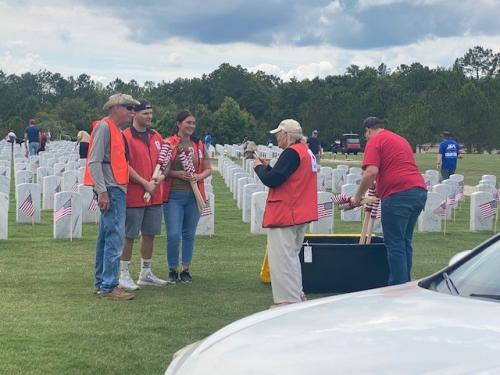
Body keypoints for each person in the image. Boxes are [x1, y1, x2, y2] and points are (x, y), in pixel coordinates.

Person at [352, 117, 427, 286]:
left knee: (395, 242)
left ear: (368, 131)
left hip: (398, 195)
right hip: (418, 191)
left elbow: (370, 172)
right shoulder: (399, 139)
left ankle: (398, 286)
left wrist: (357, 197)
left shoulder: (375, 141)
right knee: (404, 240)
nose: (366, 140)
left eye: (365, 136)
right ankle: (406, 284)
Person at [253, 119, 318, 308]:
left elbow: (273, 180)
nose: (276, 137)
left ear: (288, 135)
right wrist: (268, 167)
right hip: (300, 210)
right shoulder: (306, 151)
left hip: (286, 211)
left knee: (282, 259)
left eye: (279, 134)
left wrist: (258, 167)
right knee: (291, 256)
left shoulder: (291, 152)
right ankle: (297, 294)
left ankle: (287, 300)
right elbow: (287, 176)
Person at [83, 93, 139, 300]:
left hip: (115, 187)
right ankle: (109, 286)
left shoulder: (115, 130)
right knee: (115, 238)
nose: (131, 112)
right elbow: (94, 162)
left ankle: (102, 282)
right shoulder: (105, 128)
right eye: (128, 107)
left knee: (106, 237)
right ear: (115, 108)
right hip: (111, 189)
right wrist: (102, 191)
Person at [119, 101, 168, 291]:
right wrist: (144, 183)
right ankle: (123, 273)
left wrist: (159, 178)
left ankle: (145, 272)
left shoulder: (156, 136)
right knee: (129, 235)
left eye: (151, 113)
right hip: (135, 194)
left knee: (149, 233)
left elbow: (164, 161)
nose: (149, 116)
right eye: (145, 113)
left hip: (155, 194)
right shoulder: (126, 137)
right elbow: (125, 164)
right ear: (135, 114)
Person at [162, 111, 212, 284]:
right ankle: (172, 268)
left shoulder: (198, 145)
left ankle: (185, 269)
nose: (191, 126)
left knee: (189, 234)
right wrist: (178, 173)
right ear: (179, 124)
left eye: (193, 123)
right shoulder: (169, 143)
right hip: (173, 195)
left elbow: (207, 168)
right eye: (188, 122)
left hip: (194, 195)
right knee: (173, 234)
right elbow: (163, 169)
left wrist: (199, 176)